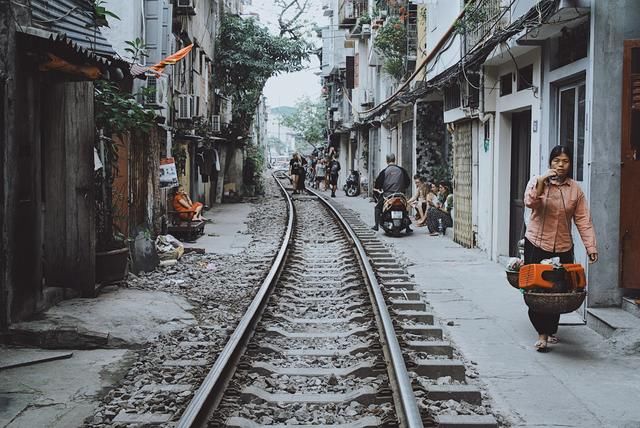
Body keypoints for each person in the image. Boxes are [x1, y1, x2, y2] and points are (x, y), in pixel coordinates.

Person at [523, 145, 597, 352]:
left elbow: (583, 219)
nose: (560, 165)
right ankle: (541, 333)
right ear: (550, 163)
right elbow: (531, 203)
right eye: (556, 161)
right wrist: (541, 181)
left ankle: (550, 329)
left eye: (565, 161)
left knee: (558, 290)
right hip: (537, 243)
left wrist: (591, 246)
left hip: (563, 246)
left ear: (570, 164)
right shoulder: (537, 182)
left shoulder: (575, 190)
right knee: (536, 288)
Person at [371, 153, 411, 233]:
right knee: (405, 208)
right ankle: (407, 227)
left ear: (387, 161)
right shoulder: (402, 170)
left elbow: (377, 185)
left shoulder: (384, 172)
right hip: (400, 195)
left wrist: (379, 189)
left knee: (378, 207)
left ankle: (376, 226)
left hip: (387, 196)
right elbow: (408, 182)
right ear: (394, 159)